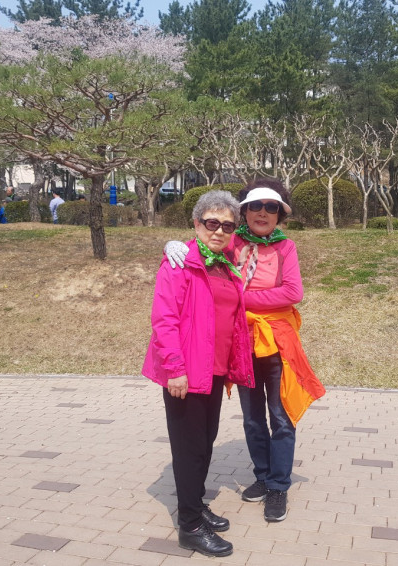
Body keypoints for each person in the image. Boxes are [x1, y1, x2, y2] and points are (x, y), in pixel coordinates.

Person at [164, 179, 325, 523]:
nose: (262, 213)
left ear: (280, 214)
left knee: (280, 416)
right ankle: (263, 476)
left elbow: (293, 292)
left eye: (271, 207)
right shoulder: (232, 241)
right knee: (252, 417)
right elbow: (203, 248)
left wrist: (243, 299)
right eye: (255, 206)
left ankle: (279, 485)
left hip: (277, 341)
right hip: (241, 342)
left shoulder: (286, 248)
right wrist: (173, 245)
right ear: (245, 212)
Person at [143, 190, 254, 558]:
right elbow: (164, 320)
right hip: (186, 373)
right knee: (189, 449)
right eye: (211, 223)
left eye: (227, 225)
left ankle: (195, 504)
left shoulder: (224, 263)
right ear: (196, 223)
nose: (219, 231)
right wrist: (175, 370)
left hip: (213, 370)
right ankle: (189, 526)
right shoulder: (179, 263)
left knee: (205, 443)